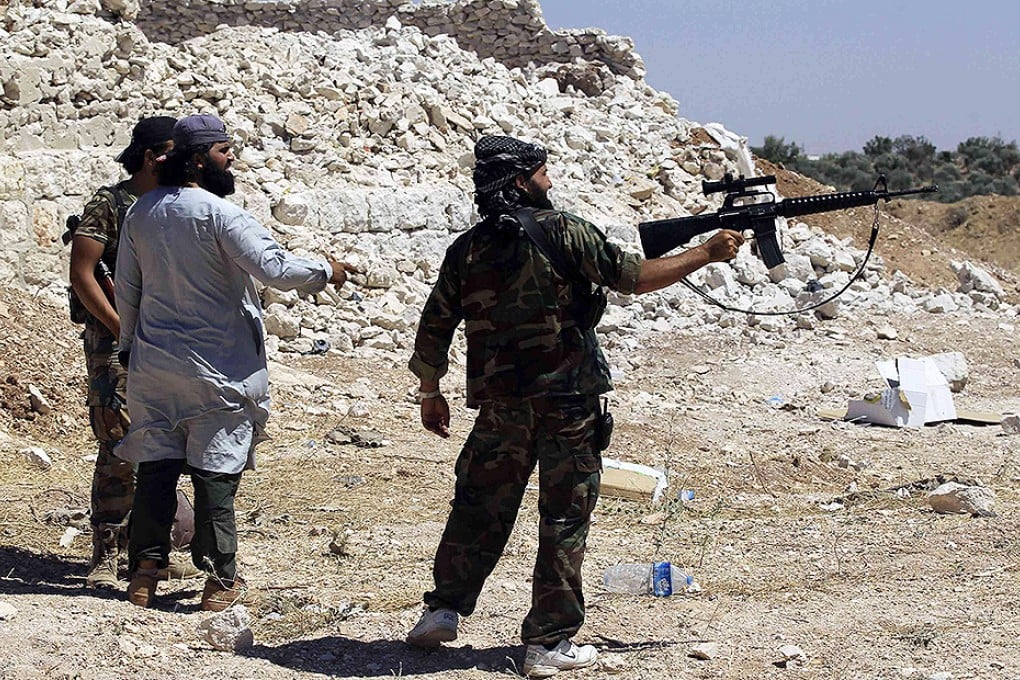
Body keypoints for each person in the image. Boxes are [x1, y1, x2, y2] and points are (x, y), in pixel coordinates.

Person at [405, 135, 743, 677]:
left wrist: (430, 391)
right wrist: (706, 252)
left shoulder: (467, 248)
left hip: (501, 405)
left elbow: (434, 326)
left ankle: (442, 610)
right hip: (569, 402)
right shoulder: (563, 230)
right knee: (564, 516)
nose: (551, 181)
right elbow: (632, 277)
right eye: (543, 173)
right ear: (521, 181)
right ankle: (548, 643)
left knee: (479, 505)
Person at [114, 113, 357, 610]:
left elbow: (129, 290)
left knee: (157, 469)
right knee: (215, 474)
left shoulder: (141, 212)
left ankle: (143, 576)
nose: (233, 160)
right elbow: (275, 269)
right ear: (200, 159)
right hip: (218, 369)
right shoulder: (222, 215)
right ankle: (219, 581)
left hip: (154, 365)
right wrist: (327, 270)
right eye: (226, 151)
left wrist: (128, 347)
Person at [69, 115, 202, 589]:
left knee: (166, 443)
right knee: (119, 440)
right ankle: (107, 553)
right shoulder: (111, 202)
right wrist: (122, 329)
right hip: (116, 344)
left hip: (167, 339)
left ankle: (149, 549)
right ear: (150, 157)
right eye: (170, 152)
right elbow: (83, 273)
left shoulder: (174, 202)